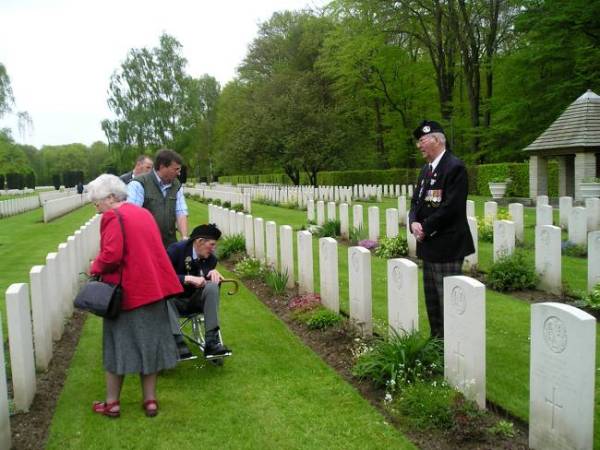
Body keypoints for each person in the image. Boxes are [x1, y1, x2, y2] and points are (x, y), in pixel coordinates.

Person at [87, 174, 183, 418]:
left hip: (126, 295)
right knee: (148, 346)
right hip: (153, 290)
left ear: (110, 197)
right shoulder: (143, 213)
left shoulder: (112, 216)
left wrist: (94, 266)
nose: (95, 207)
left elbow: (111, 256)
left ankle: (112, 403)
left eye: (96, 201)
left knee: (117, 347)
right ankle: (150, 401)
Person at [408, 120, 474, 339]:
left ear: (436, 140)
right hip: (428, 247)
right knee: (432, 300)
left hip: (447, 246)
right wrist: (413, 222)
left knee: (449, 301)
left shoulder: (454, 167)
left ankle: (454, 345)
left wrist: (424, 227)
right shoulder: (425, 171)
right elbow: (415, 203)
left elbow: (451, 208)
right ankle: (437, 341)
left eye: (422, 140)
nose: (419, 145)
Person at [167, 224, 232, 359]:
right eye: (212, 245)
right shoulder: (176, 250)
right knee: (162, 294)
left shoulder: (211, 259)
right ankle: (176, 342)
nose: (214, 249)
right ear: (200, 241)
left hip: (195, 301)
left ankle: (212, 342)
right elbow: (161, 276)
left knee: (212, 286)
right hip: (172, 302)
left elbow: (204, 276)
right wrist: (186, 278)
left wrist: (212, 274)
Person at [127, 149, 189, 248]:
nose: (178, 173)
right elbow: (131, 217)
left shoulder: (176, 185)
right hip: (145, 246)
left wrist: (185, 237)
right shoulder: (139, 184)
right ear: (162, 167)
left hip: (169, 245)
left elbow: (181, 212)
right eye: (176, 169)